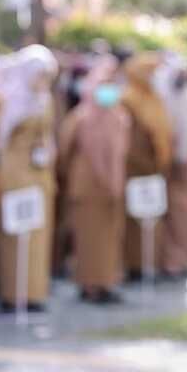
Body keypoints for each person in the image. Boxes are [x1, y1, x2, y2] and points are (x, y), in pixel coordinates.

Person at [58, 57, 131, 304]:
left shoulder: (119, 117)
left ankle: (107, 281)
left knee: (110, 238)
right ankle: (88, 284)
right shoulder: (80, 117)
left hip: (113, 187)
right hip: (87, 189)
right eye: (103, 84)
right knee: (89, 238)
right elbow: (65, 152)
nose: (108, 91)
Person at [0, 45, 60, 311]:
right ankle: (13, 291)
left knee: (38, 231)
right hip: (15, 170)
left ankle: (34, 291)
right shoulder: (10, 98)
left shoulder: (45, 99)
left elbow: (48, 133)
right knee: (15, 229)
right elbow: (0, 140)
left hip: (39, 171)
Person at [119, 53, 174, 281]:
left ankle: (152, 263)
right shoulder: (128, 99)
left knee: (154, 217)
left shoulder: (155, 98)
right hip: (137, 168)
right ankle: (135, 265)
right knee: (135, 220)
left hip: (155, 168)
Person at [155, 57, 187, 277]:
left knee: (184, 214)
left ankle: (181, 258)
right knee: (169, 214)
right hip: (168, 166)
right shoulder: (162, 96)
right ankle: (168, 260)